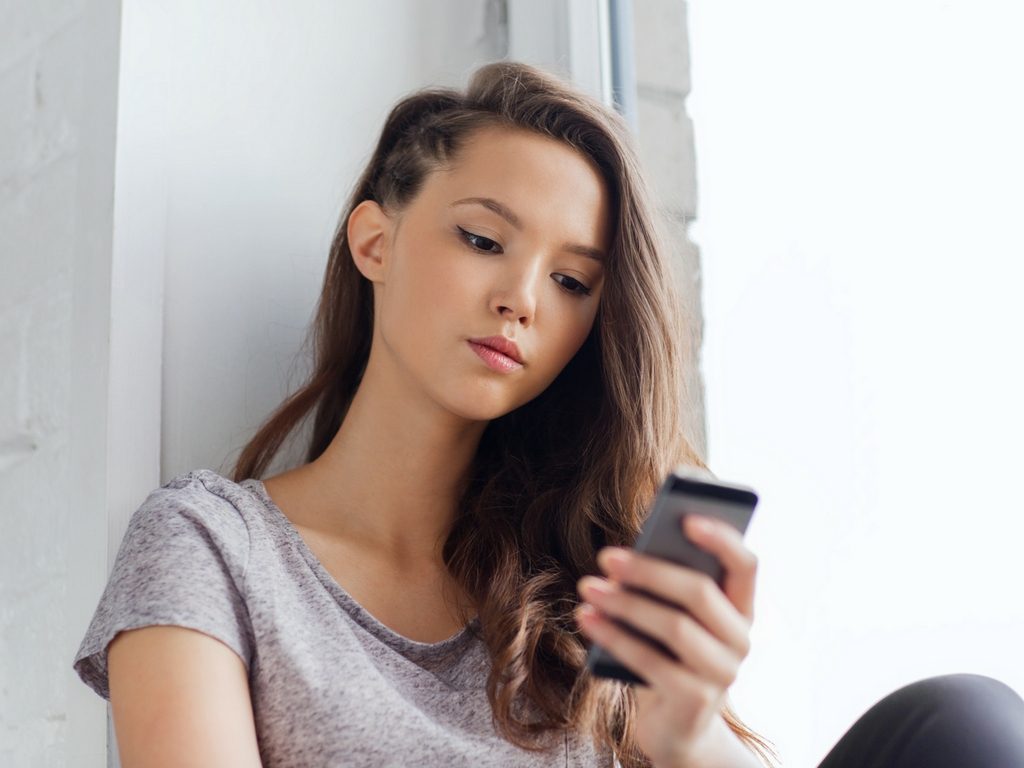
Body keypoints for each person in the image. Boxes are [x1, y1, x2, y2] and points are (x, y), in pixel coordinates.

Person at [72, 61, 1024, 768]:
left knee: (968, 725)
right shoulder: (210, 548)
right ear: (375, 239)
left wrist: (685, 735)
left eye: (572, 281)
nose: (523, 298)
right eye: (483, 239)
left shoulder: (583, 584)